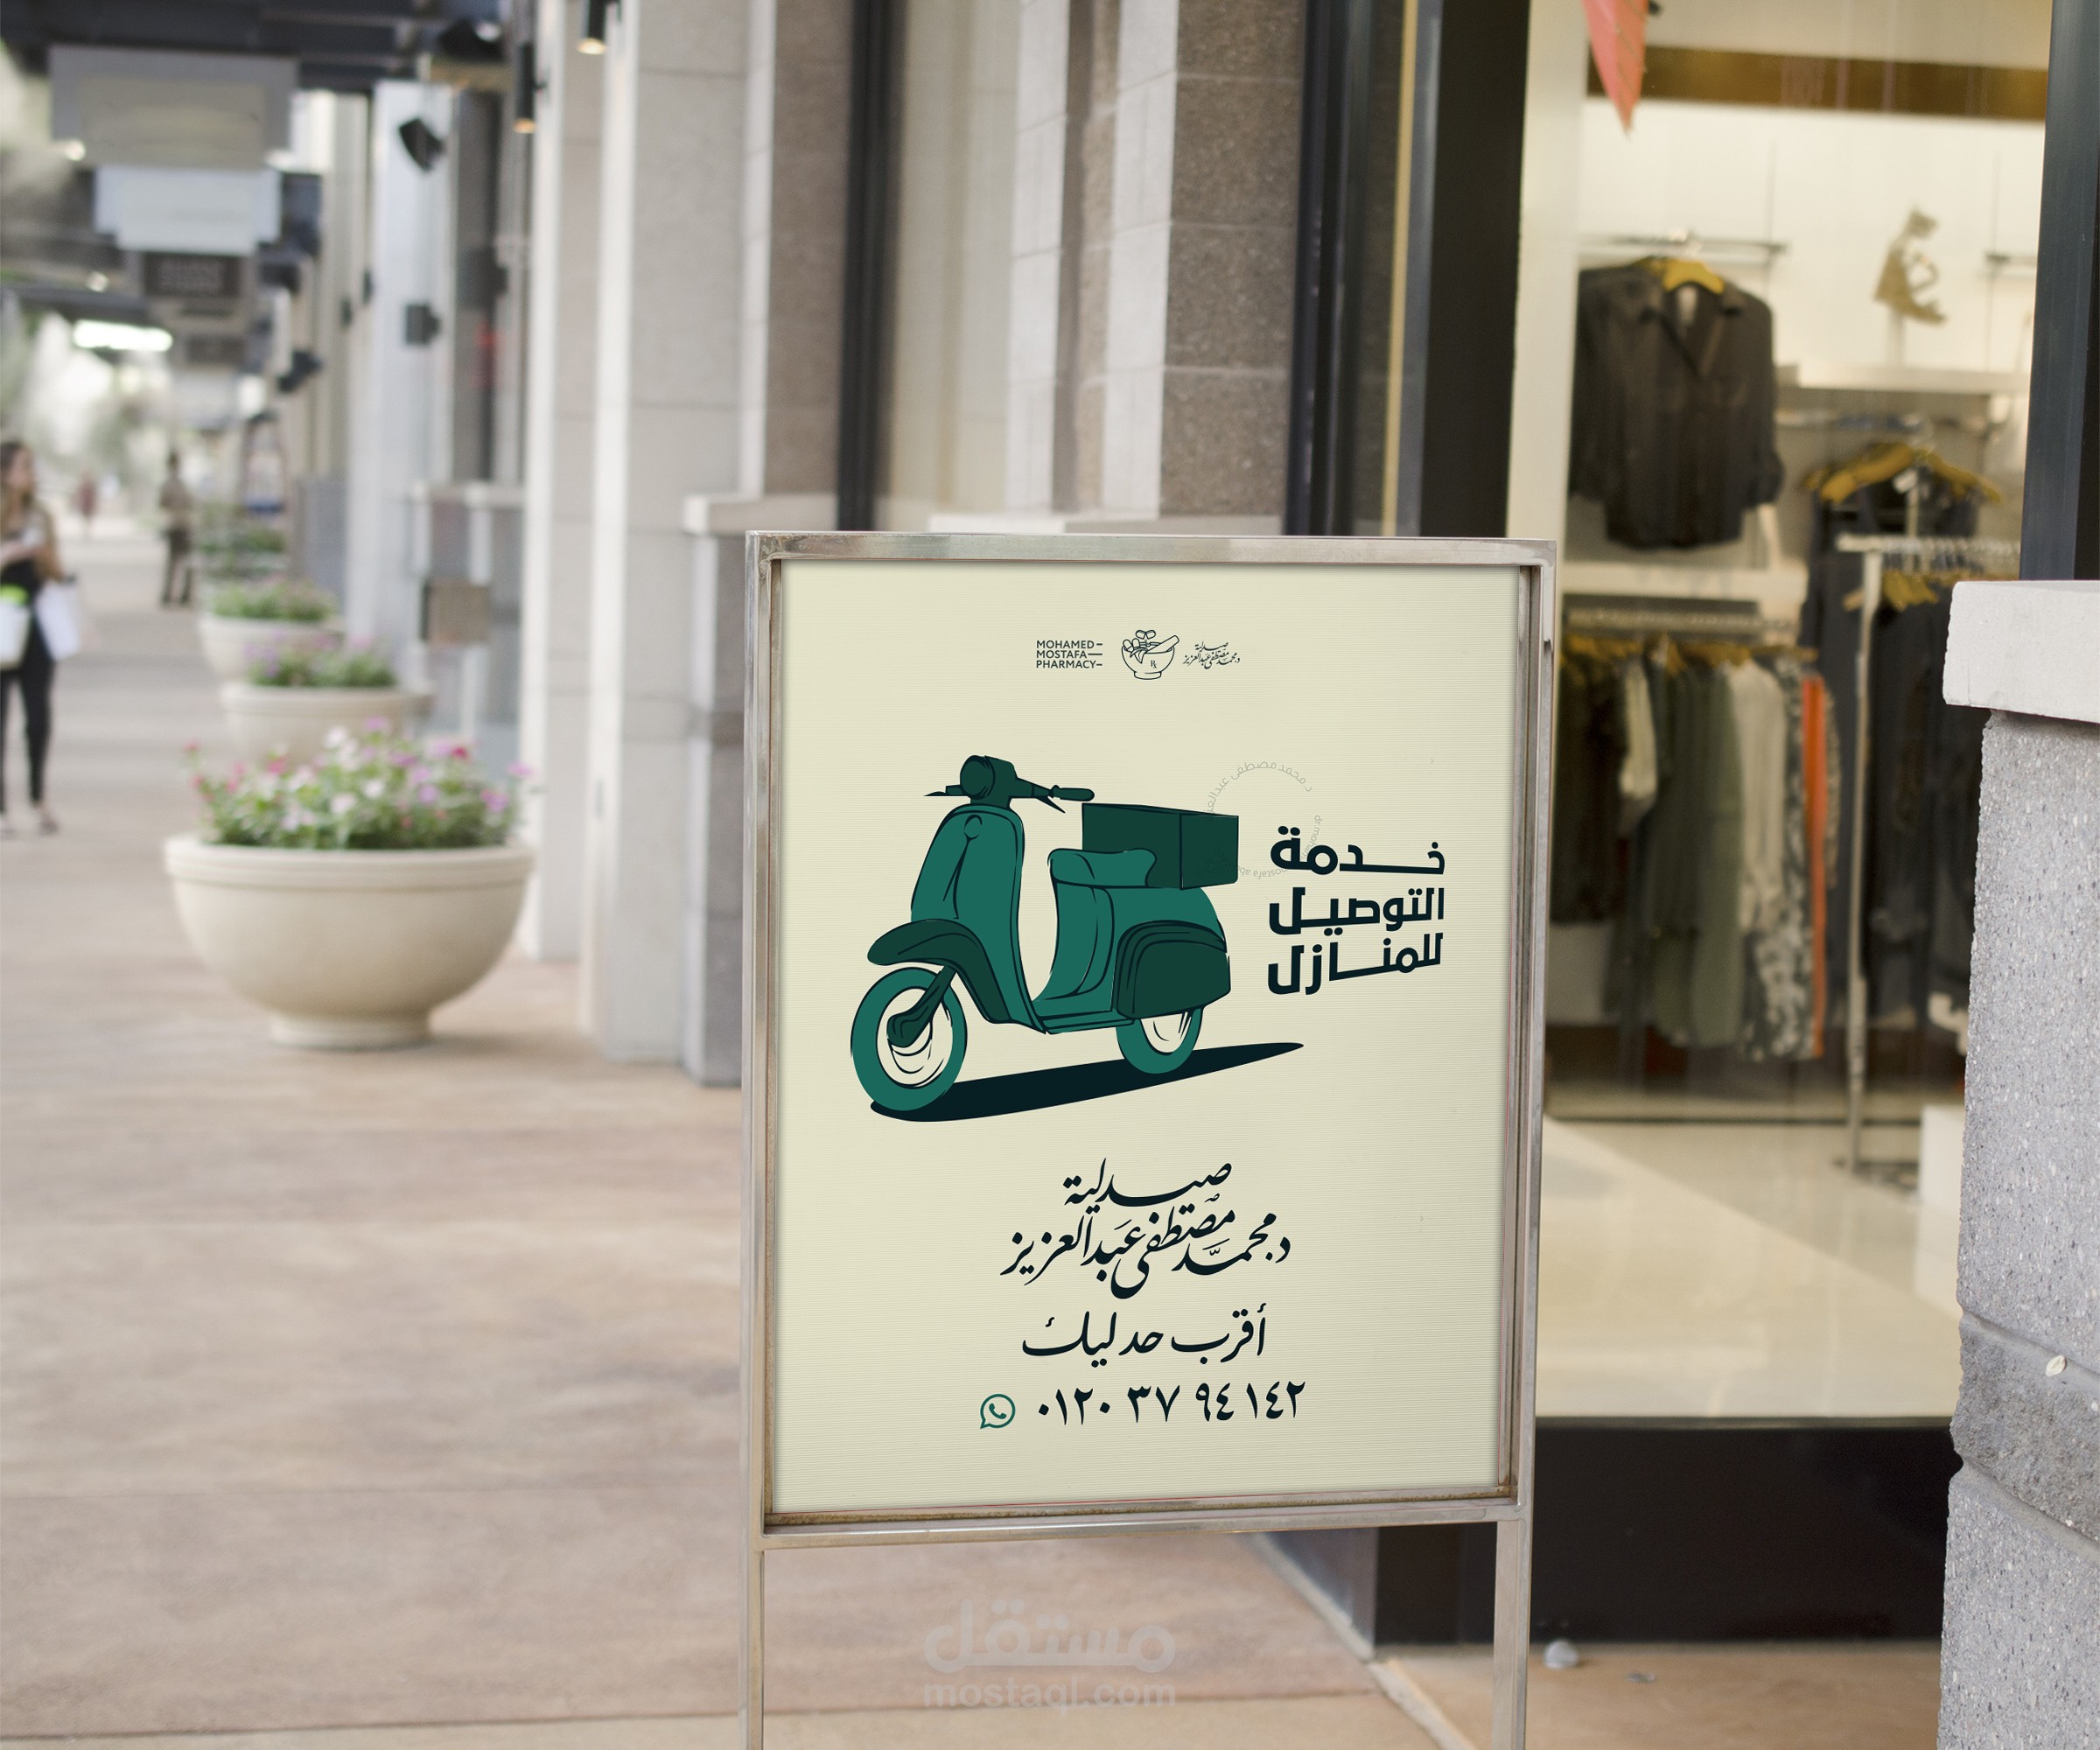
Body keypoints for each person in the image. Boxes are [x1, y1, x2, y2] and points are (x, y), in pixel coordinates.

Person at [0, 439, 63, 836]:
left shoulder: (42, 516)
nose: (31, 473)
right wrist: (7, 555)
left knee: (38, 717)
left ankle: (38, 799)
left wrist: (44, 557)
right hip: (1, 624)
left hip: (37, 626)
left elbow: (59, 572)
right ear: (5, 471)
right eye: (24, 465)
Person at [158, 451, 194, 607]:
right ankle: (169, 595)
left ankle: (183, 595)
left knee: (184, 562)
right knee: (174, 562)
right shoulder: (169, 484)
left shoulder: (180, 483)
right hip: (174, 525)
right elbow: (162, 503)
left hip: (183, 524)